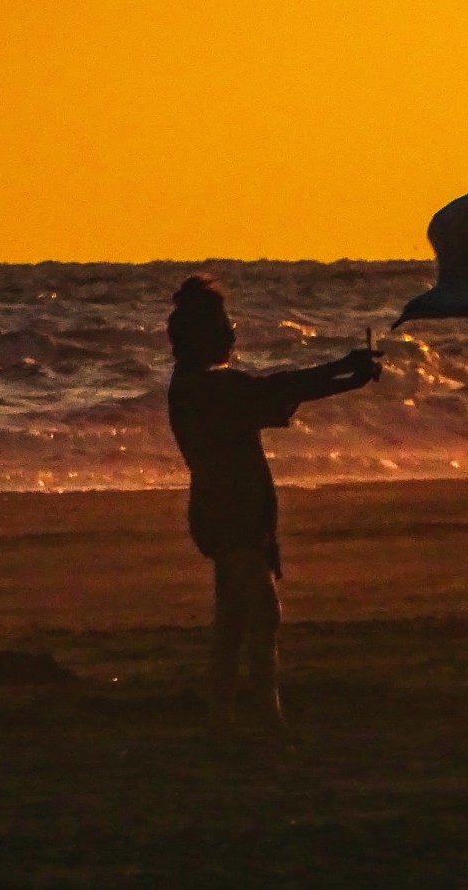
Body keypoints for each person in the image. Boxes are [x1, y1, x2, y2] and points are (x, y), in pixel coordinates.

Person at [166, 274, 380, 741]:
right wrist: (345, 370)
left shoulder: (199, 385)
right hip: (230, 513)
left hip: (238, 509)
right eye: (223, 326)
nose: (232, 334)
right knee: (262, 613)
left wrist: (347, 378)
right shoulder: (202, 388)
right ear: (200, 336)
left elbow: (274, 392)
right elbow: (276, 389)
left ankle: (222, 718)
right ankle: (268, 716)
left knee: (234, 617)